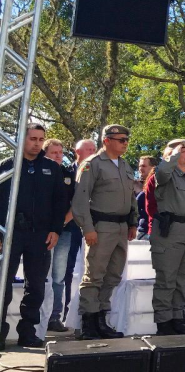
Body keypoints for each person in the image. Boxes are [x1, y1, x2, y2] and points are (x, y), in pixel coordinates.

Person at [0, 124, 68, 348]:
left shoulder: (52, 167)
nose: (37, 143)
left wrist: (56, 229)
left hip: (40, 235)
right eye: (33, 138)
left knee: (36, 286)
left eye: (41, 139)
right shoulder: (7, 166)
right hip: (10, 234)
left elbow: (60, 201)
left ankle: (27, 331)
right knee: (2, 284)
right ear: (22, 138)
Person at [72, 124, 138, 340]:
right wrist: (88, 228)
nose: (125, 143)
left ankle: (101, 320)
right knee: (94, 276)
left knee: (113, 276)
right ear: (107, 140)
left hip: (120, 228)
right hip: (101, 227)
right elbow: (80, 200)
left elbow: (131, 199)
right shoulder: (92, 165)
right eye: (121, 139)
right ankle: (88, 323)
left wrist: (132, 223)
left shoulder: (126, 166)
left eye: (127, 139)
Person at [151, 140, 185, 335]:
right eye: (181, 150)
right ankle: (164, 321)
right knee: (167, 277)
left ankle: (177, 316)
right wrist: (172, 156)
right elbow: (162, 172)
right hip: (171, 230)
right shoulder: (165, 174)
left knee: (184, 279)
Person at [61, 139, 96, 322]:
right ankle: (67, 313)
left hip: (94, 230)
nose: (92, 152)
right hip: (70, 230)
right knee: (67, 272)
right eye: (88, 149)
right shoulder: (67, 173)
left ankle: (86, 315)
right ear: (77, 152)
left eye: (94, 149)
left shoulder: (99, 172)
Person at [42, 138, 73, 333]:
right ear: (45, 154)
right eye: (54, 152)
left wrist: (59, 224)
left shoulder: (68, 175)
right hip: (41, 232)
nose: (58, 156)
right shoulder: (38, 172)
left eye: (60, 152)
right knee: (41, 276)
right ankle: (39, 317)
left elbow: (76, 203)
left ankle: (54, 317)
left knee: (58, 278)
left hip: (64, 231)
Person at [137, 156, 157, 240]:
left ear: (153, 168)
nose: (141, 169)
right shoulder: (134, 185)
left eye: (144, 166)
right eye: (140, 166)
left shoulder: (156, 186)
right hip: (144, 231)